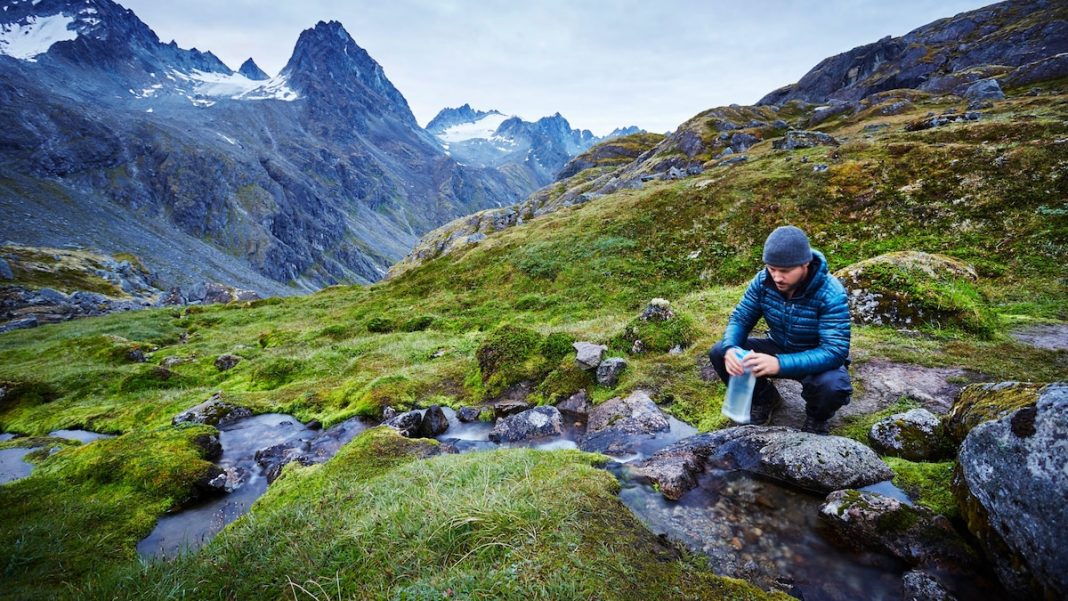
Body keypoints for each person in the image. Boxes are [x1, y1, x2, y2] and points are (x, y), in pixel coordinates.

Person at [708, 225, 852, 434]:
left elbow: (835, 351)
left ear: (805, 264)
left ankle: (817, 417)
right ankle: (765, 398)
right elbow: (741, 318)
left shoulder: (830, 292)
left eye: (784, 271)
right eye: (771, 268)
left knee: (833, 386)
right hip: (778, 343)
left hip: (815, 353)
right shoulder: (763, 280)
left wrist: (779, 364)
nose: (776, 277)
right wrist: (731, 348)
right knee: (720, 351)